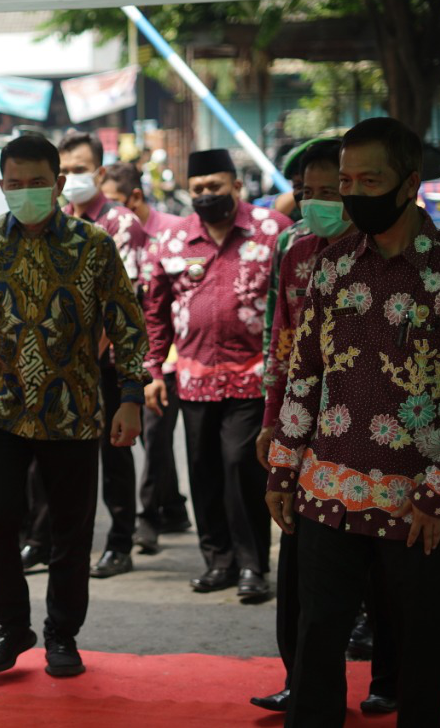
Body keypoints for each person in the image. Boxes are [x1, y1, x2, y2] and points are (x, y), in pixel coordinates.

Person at [266, 117, 440, 728]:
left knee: (420, 646)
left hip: (420, 507)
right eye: (346, 180)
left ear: (410, 184)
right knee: (318, 638)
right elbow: (305, 374)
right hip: (326, 495)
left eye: (371, 180)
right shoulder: (330, 268)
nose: (354, 193)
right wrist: (284, 466)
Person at [0, 135, 147, 679]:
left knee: (71, 529)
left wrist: (130, 397)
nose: (26, 193)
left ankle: (63, 633)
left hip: (74, 409)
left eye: (37, 183)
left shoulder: (94, 245)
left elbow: (128, 324)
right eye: (15, 185)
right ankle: (12, 626)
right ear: (1, 186)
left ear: (58, 184)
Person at [141, 149, 289, 602]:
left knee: (241, 467)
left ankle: (252, 566)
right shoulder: (173, 241)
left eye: (216, 187)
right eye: (199, 188)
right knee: (203, 470)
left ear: (236, 186)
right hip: (193, 375)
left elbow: (289, 300)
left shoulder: (271, 232)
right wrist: (153, 370)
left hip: (252, 375)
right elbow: (155, 310)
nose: (207, 195)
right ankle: (218, 561)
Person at [57, 132, 151, 579]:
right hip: (63, 365)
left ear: (98, 171)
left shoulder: (119, 223)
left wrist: (88, 358)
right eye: (64, 170)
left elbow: (120, 304)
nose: (70, 179)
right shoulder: (55, 218)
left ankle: (119, 543)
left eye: (79, 169)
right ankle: (45, 541)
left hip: (105, 362)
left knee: (114, 456)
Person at [102, 162, 191, 553]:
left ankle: (149, 518)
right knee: (147, 438)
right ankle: (173, 507)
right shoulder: (108, 236)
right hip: (129, 353)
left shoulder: (172, 233)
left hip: (166, 355)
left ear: (134, 198)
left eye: (116, 205)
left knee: (154, 437)